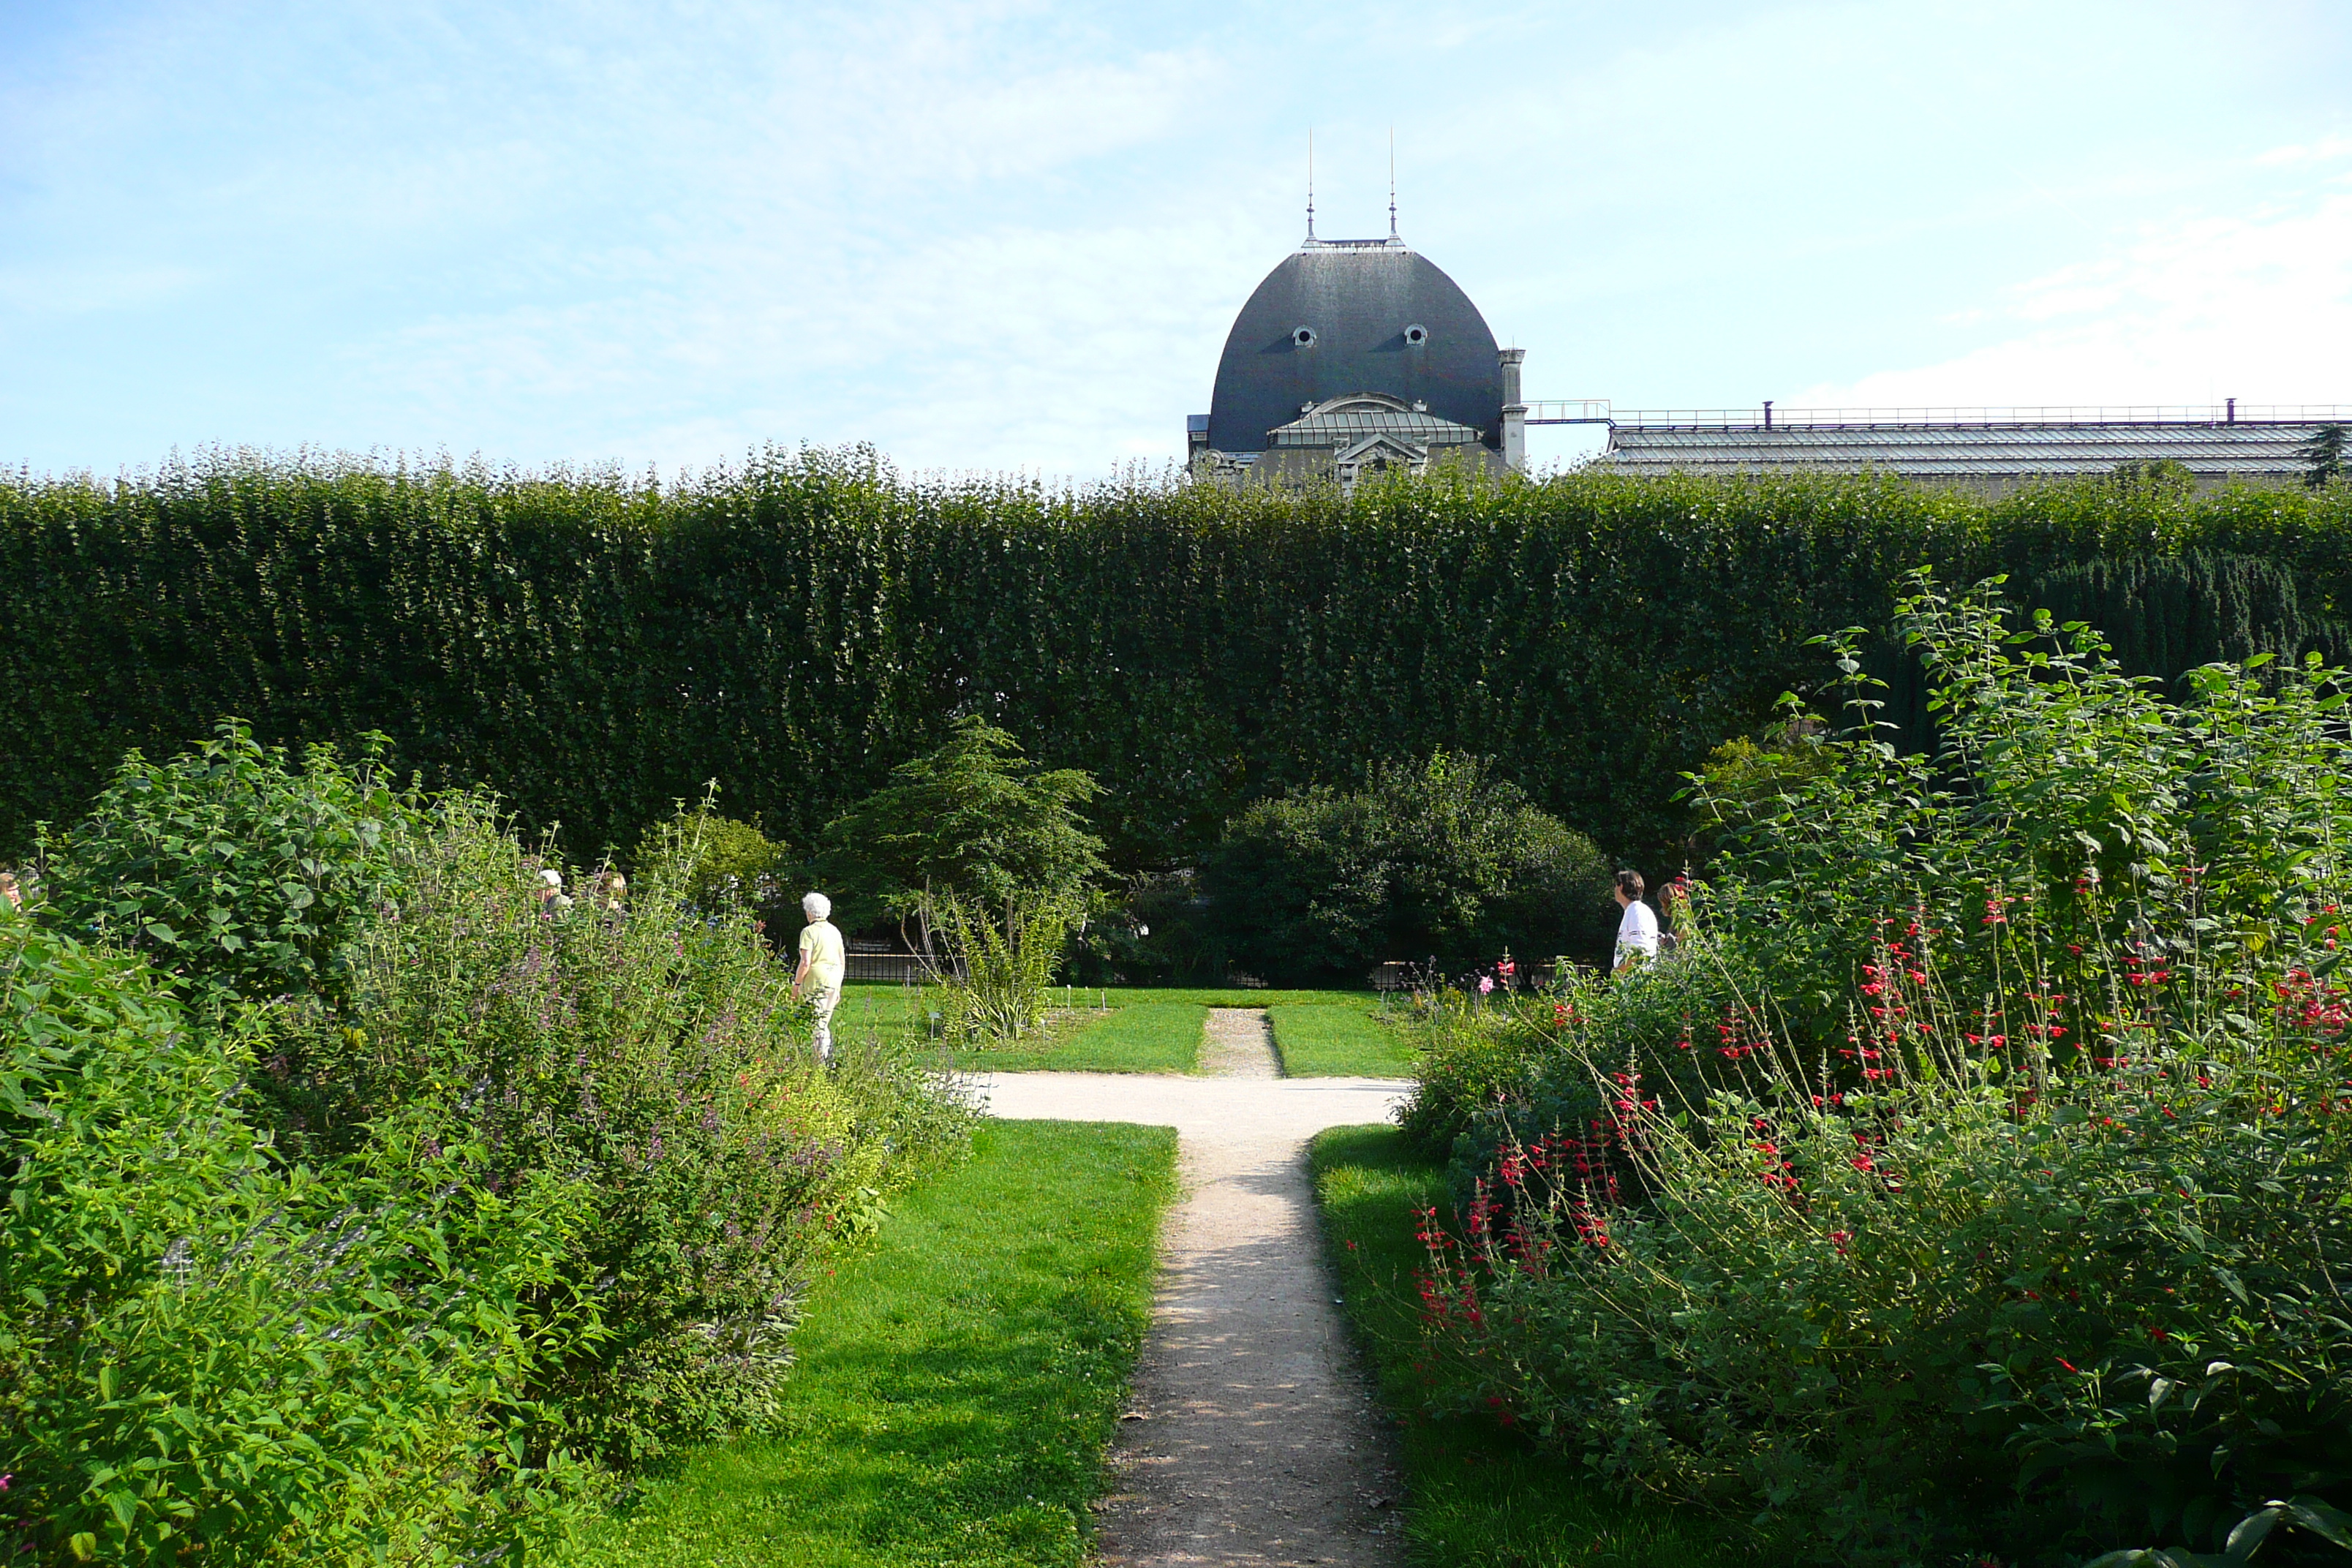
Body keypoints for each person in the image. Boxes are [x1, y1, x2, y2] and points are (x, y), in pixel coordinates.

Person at [793, 892, 846, 1063]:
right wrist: (838, 986)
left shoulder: (808, 932)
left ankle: (820, 1062)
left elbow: (806, 962)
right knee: (823, 1020)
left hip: (815, 982)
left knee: (818, 1024)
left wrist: (796, 984)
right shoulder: (835, 931)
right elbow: (841, 961)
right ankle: (822, 1059)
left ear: (809, 912)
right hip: (833, 979)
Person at [1611, 869, 1659, 976]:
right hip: (1630, 981)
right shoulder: (1632, 911)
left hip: (1636, 982)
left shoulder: (1638, 912)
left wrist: (1618, 973)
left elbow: (1640, 951)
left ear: (1621, 887)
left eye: (1616, 886)